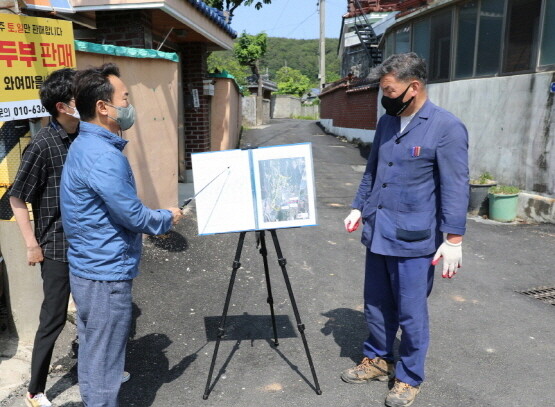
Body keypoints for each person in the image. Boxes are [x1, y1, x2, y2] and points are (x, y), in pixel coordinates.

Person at [341, 53, 469, 407]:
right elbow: (372, 170)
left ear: (414, 87)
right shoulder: (386, 122)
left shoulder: (446, 127)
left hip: (415, 238)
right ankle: (378, 358)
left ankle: (409, 377)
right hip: (378, 230)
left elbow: (457, 185)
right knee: (377, 304)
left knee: (411, 312)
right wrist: (358, 205)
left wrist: (454, 238)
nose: (385, 97)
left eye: (390, 90)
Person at [60, 62, 183, 407]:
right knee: (105, 361)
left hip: (88, 267)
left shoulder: (83, 145)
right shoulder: (102, 155)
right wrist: (166, 217)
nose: (129, 106)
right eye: (125, 98)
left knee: (93, 350)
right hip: (105, 272)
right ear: (103, 107)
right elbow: (132, 214)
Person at [9, 68, 80, 407]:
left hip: (88, 241)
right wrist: (31, 244)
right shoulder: (42, 144)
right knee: (52, 316)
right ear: (64, 106)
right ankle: (35, 390)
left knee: (93, 310)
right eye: (79, 96)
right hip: (55, 246)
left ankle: (96, 368)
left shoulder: (85, 135)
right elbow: (16, 196)